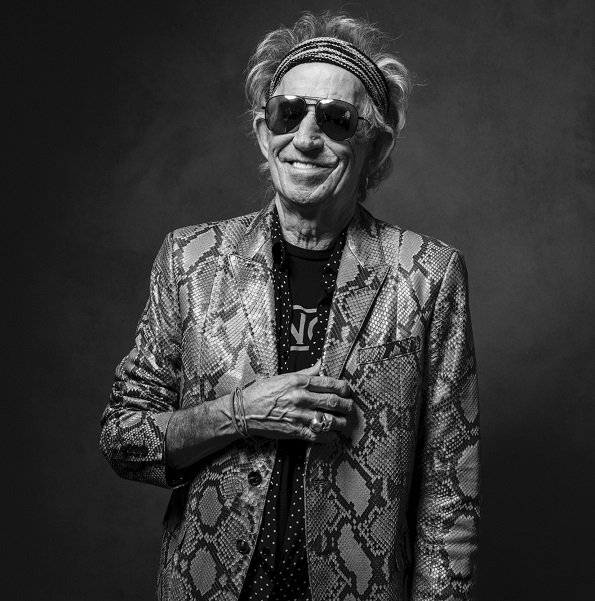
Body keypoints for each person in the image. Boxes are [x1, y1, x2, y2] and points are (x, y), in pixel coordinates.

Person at [100, 11, 480, 601]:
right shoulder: (190, 260)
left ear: (375, 145)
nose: (305, 138)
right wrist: (240, 412)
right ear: (263, 132)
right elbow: (125, 438)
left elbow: (450, 496)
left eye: (336, 119)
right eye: (288, 113)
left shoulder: (427, 275)